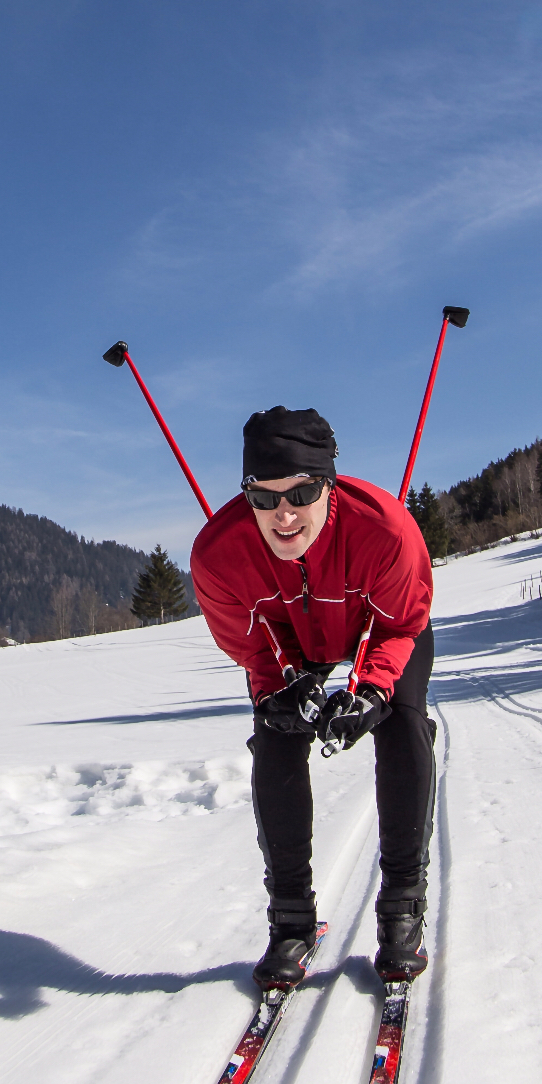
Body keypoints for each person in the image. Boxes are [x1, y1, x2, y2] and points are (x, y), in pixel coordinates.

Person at [189, 406, 437, 989]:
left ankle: (402, 905)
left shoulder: (386, 530)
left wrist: (371, 689)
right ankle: (290, 919)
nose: (283, 514)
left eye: (300, 492)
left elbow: (401, 622)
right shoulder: (217, 554)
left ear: (328, 482)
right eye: (263, 496)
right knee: (275, 739)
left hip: (380, 624)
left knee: (402, 722)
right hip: (294, 640)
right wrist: (282, 691)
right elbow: (251, 646)